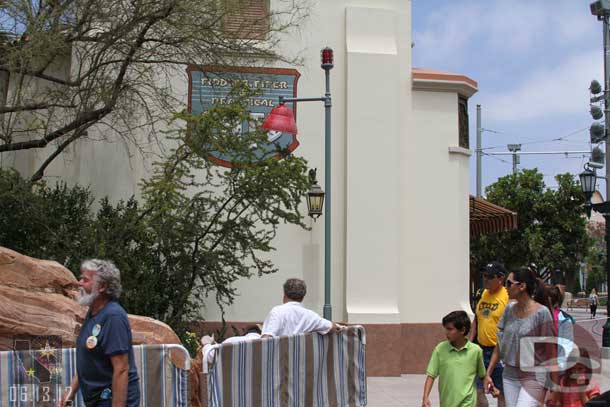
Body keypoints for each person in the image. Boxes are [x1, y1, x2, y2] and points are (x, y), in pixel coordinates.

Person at [61, 259, 140, 407]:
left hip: (111, 400)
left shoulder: (113, 317)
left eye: (85, 280)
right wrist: (70, 392)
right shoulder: (93, 312)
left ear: (102, 286)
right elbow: (88, 359)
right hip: (97, 400)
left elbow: (121, 369)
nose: (79, 283)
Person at [484, 267, 556, 407]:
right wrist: (488, 373)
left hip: (534, 376)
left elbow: (551, 351)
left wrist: (554, 386)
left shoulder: (541, 313)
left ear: (522, 286)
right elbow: (500, 344)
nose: (506, 288)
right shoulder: (509, 309)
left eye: (509, 284)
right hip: (510, 374)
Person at [422, 311, 486, 407]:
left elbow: (482, 375)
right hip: (447, 402)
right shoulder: (440, 349)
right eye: (445, 329)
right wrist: (425, 397)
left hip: (468, 402)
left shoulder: (475, 351)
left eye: (450, 329)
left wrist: (490, 385)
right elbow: (431, 375)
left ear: (462, 330)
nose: (446, 332)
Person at [470, 261, 509, 407]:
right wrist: (470, 342)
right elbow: (477, 319)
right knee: (477, 391)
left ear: (501, 278)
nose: (485, 279)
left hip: (498, 352)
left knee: (502, 392)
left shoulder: (506, 297)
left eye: (490, 276)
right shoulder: (484, 294)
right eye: (484, 275)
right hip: (481, 350)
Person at [261, 278, 342, 337]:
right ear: (303, 297)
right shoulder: (310, 315)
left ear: (284, 295)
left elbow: (266, 338)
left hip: (278, 358)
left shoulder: (277, 311)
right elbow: (335, 328)